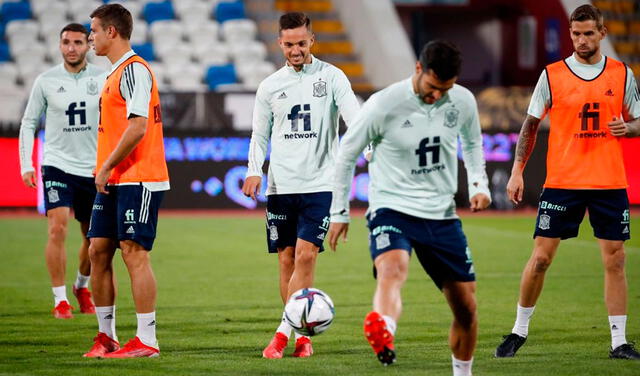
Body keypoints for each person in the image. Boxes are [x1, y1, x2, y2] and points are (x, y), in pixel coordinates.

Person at [328, 40, 491, 376]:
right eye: (432, 87)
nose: (437, 96)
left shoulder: (461, 101)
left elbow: (473, 144)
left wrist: (479, 185)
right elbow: (346, 155)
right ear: (418, 69)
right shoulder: (383, 105)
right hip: (392, 208)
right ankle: (384, 330)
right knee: (392, 270)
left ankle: (463, 372)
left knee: (466, 309)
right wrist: (339, 212)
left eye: (445, 89)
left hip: (441, 214)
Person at [495, 4, 640, 360]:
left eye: (589, 33)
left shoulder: (622, 74)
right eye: (576, 33)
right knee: (541, 258)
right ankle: (518, 330)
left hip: (608, 182)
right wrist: (516, 171)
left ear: (602, 34)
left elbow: (638, 121)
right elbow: (530, 125)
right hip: (563, 181)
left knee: (616, 259)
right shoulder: (552, 74)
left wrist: (629, 128)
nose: (581, 40)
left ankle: (619, 341)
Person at [242, 12, 360, 359]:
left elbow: (355, 120)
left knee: (306, 254)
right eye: (289, 44)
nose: (296, 50)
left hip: (322, 183)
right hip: (281, 185)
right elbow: (259, 135)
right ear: (280, 43)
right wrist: (254, 169)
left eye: (301, 43)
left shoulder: (333, 77)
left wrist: (370, 149)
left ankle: (281, 334)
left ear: (312, 41)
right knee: (286, 259)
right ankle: (301, 337)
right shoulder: (269, 86)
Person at [82, 3, 169, 359]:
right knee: (97, 250)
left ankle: (147, 340)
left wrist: (105, 167)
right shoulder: (115, 73)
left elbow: (137, 127)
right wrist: (104, 168)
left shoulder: (135, 71)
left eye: (94, 31)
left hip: (139, 177)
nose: (90, 38)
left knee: (134, 253)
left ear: (112, 32)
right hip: (115, 179)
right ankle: (107, 337)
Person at [19, 23, 105, 319]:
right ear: (59, 45)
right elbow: (29, 123)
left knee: (94, 239)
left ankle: (82, 286)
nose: (71, 48)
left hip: (93, 169)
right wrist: (26, 164)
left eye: (78, 42)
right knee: (57, 227)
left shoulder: (103, 78)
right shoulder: (45, 80)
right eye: (66, 42)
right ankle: (60, 300)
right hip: (57, 164)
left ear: (88, 45)